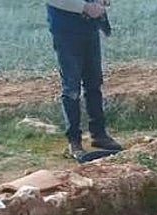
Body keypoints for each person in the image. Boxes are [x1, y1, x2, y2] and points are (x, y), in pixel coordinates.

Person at [45, 0, 122, 162]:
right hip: (65, 28)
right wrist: (85, 7)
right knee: (71, 88)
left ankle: (99, 135)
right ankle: (74, 142)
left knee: (94, 82)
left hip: (88, 26)